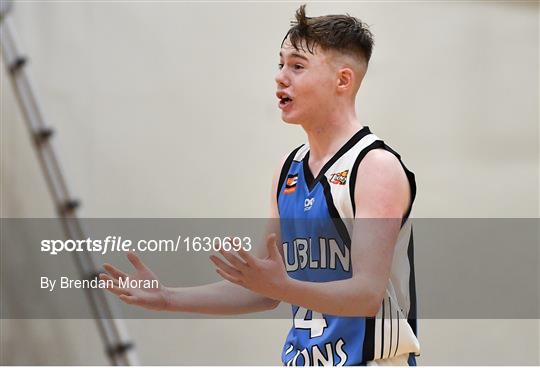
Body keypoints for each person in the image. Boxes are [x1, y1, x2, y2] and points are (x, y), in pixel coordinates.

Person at [100, 5, 420, 366]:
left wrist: (280, 286)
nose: (281, 77)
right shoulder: (288, 170)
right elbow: (261, 292)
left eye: (297, 66)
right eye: (280, 64)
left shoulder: (374, 167)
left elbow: (366, 295)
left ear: (342, 81)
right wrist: (167, 298)